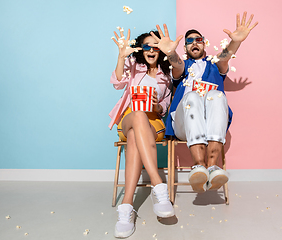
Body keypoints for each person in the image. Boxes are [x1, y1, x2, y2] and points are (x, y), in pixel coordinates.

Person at [150, 12, 258, 193]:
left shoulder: (214, 64)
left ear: (204, 44)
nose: (194, 42)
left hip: (211, 121)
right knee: (192, 96)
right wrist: (170, 52)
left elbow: (225, 57)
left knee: (217, 96)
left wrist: (236, 42)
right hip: (184, 123)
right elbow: (176, 65)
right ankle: (199, 165)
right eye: (189, 40)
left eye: (198, 39)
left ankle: (212, 168)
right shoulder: (183, 66)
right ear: (185, 48)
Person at [108, 28, 174, 238]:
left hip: (153, 123)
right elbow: (118, 83)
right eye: (147, 46)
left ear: (161, 50)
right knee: (137, 114)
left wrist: (157, 108)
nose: (151, 50)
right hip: (129, 118)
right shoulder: (134, 67)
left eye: (156, 46)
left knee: (137, 135)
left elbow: (165, 105)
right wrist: (121, 57)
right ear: (141, 49)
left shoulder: (167, 76)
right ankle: (158, 185)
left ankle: (126, 207)